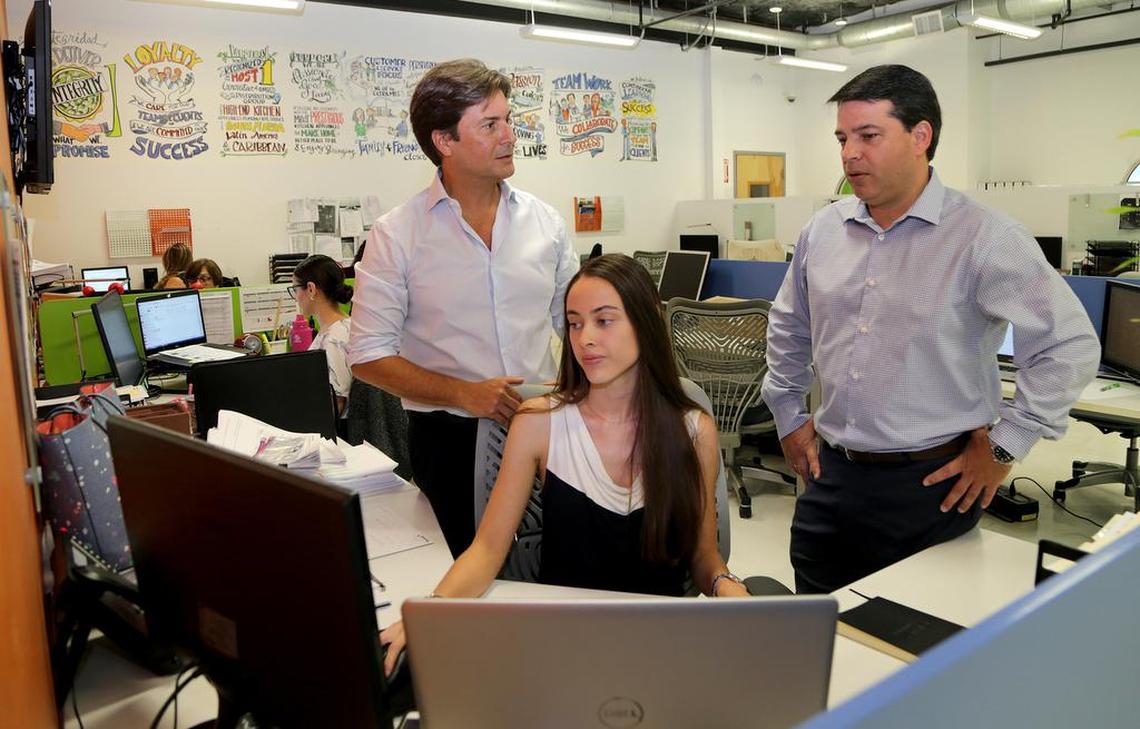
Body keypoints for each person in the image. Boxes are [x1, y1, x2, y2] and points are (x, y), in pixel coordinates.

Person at [760, 65, 1101, 595]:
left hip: (932, 486)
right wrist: (787, 412)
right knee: (817, 630)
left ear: (922, 136)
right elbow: (788, 324)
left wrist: (1007, 444)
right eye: (843, 138)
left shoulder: (984, 237)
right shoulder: (822, 231)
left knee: (914, 644)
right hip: (831, 476)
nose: (850, 153)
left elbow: (1069, 344)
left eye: (868, 136)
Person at [377, 254, 749, 676]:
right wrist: (430, 611)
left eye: (603, 321)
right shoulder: (539, 423)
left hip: (658, 646)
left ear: (645, 324)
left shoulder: (693, 429)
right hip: (560, 646)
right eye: (574, 323)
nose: (584, 338)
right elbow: (487, 550)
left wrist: (727, 589)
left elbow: (704, 558)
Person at [349, 59, 578, 557]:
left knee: (552, 568)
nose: (510, 136)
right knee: (463, 575)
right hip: (449, 440)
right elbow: (366, 355)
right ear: (445, 141)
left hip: (545, 427)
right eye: (490, 125)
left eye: (509, 120)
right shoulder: (397, 235)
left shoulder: (546, 224)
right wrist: (464, 393)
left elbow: (575, 325)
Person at [291, 254, 353, 417]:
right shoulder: (344, 325)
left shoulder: (333, 340)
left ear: (311, 289)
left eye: (295, 290)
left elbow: (336, 405)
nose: (296, 297)